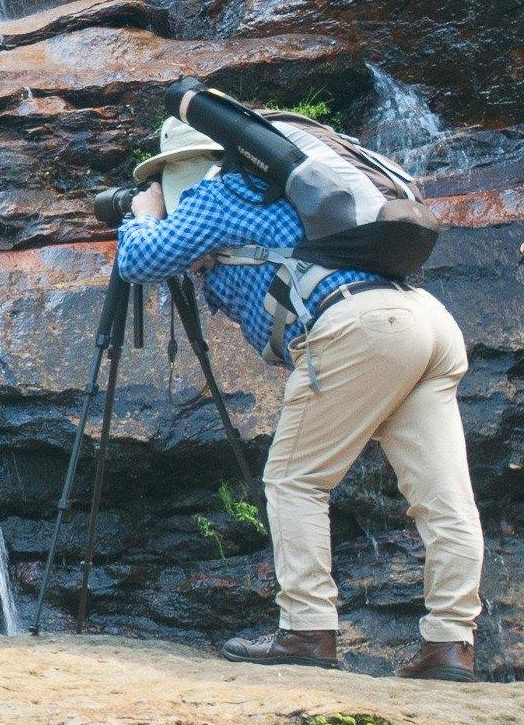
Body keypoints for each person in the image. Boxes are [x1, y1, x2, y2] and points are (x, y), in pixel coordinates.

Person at [116, 115, 481, 680]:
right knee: (443, 497)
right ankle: (451, 645)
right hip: (424, 320)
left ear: (181, 169)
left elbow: (138, 261)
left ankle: (307, 631)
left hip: (360, 326)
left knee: (295, 481)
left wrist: (142, 215)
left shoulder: (220, 190)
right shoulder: (287, 190)